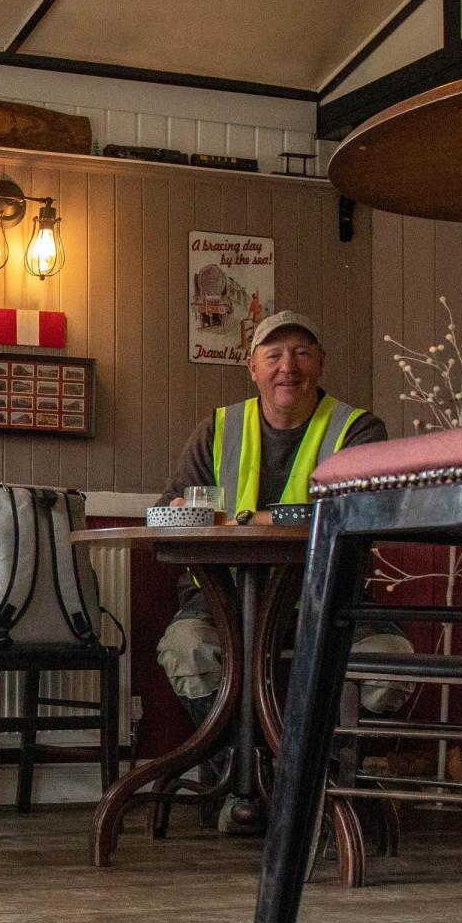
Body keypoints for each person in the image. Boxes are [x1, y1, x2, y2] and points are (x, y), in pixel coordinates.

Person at [153, 310, 413, 822]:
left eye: (301, 354)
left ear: (320, 364)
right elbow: (174, 506)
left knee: (390, 663)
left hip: (332, 599)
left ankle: (322, 782)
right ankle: (240, 772)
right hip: (223, 598)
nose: (287, 367)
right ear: (252, 367)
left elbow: (368, 508)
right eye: (273, 354)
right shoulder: (219, 427)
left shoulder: (358, 429)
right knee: (187, 649)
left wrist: (247, 516)